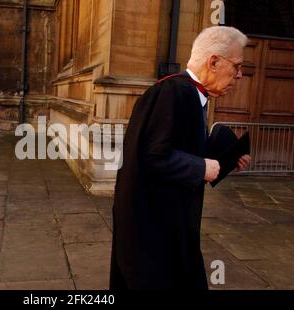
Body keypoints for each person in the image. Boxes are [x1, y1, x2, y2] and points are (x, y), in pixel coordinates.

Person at [110, 26, 251, 290]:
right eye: (237, 66)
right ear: (213, 61)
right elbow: (151, 154)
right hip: (153, 229)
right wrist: (200, 168)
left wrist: (228, 160)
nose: (240, 75)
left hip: (173, 221)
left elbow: (182, 147)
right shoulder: (171, 92)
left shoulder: (193, 95)